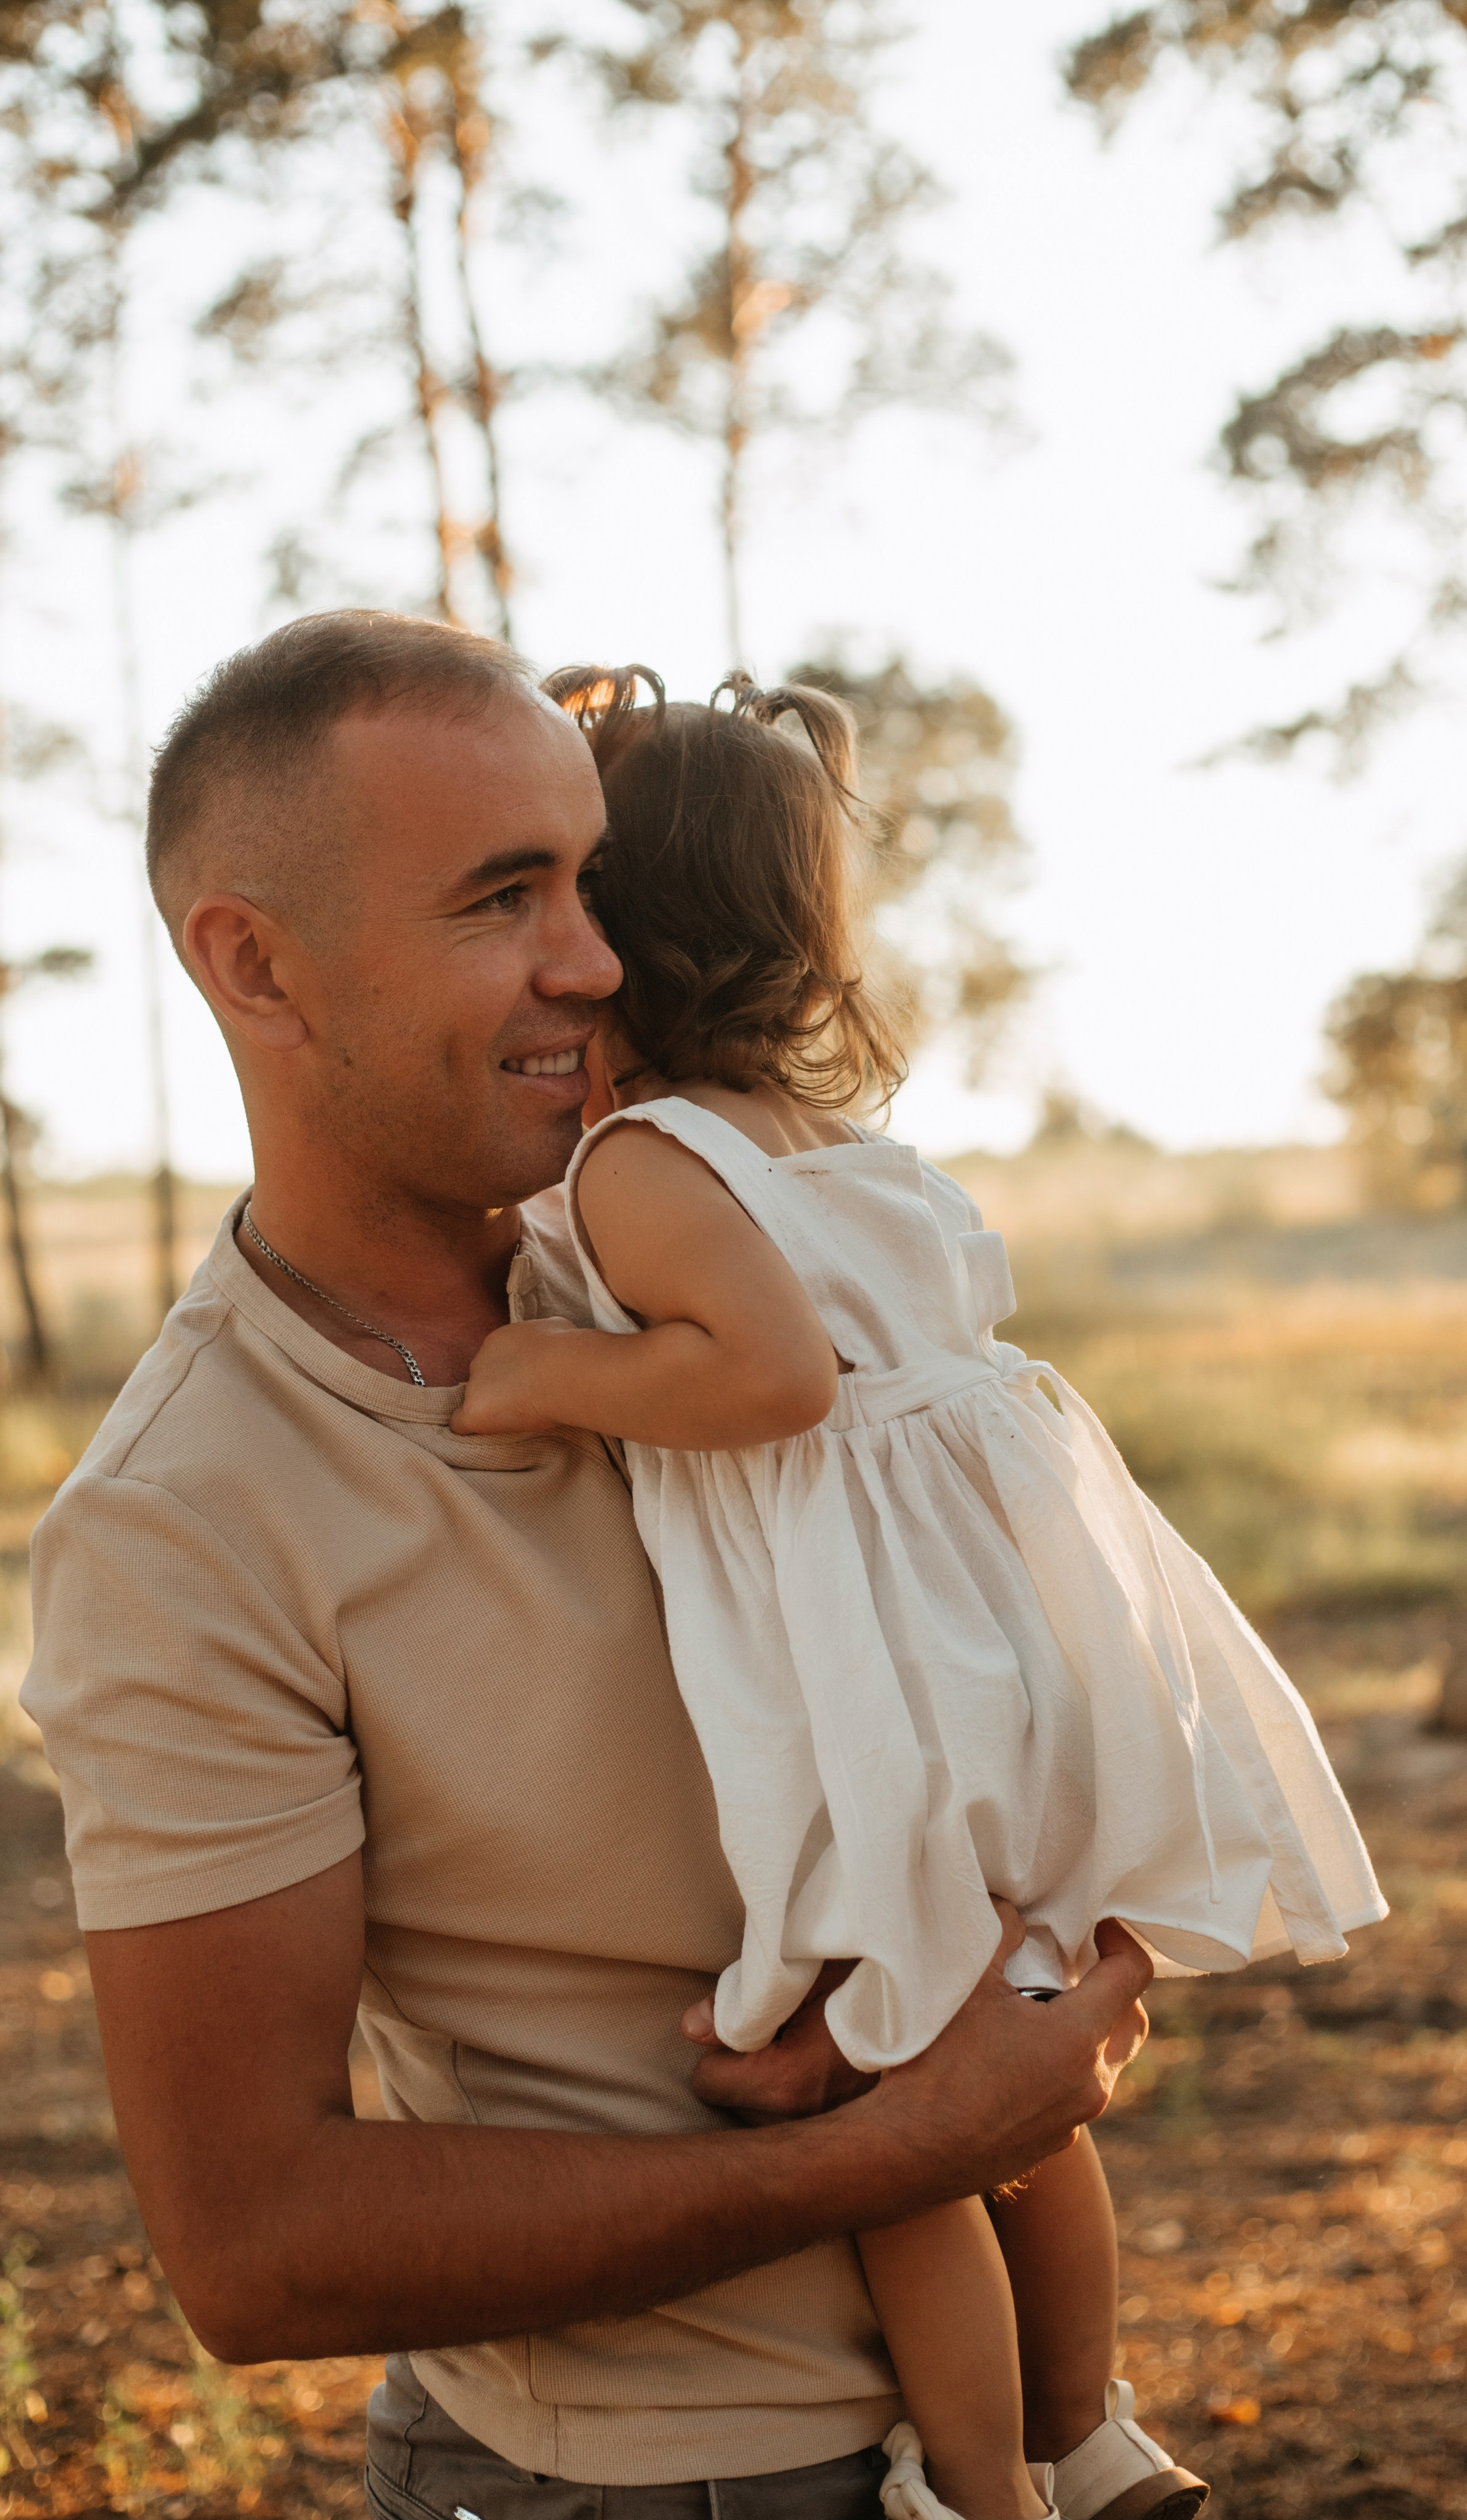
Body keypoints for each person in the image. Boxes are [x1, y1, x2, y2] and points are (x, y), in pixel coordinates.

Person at [20, 612, 1158, 2520]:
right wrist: (891, 2149)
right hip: (632, 2485)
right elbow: (258, 2249)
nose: (599, 959)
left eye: (596, 883)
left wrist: (1056, 1977)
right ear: (255, 966)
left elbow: (1037, 1740)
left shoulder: (695, 1280)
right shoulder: (187, 1521)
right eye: (504, 898)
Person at [452, 669, 1389, 2520]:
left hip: (877, 1686)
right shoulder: (855, 1158)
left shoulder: (647, 1165)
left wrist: (548, 1376)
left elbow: (773, 1383)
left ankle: (979, 2486)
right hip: (999, 1646)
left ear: (607, 947)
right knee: (1012, 2081)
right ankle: (1095, 2430)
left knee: (905, 2143)